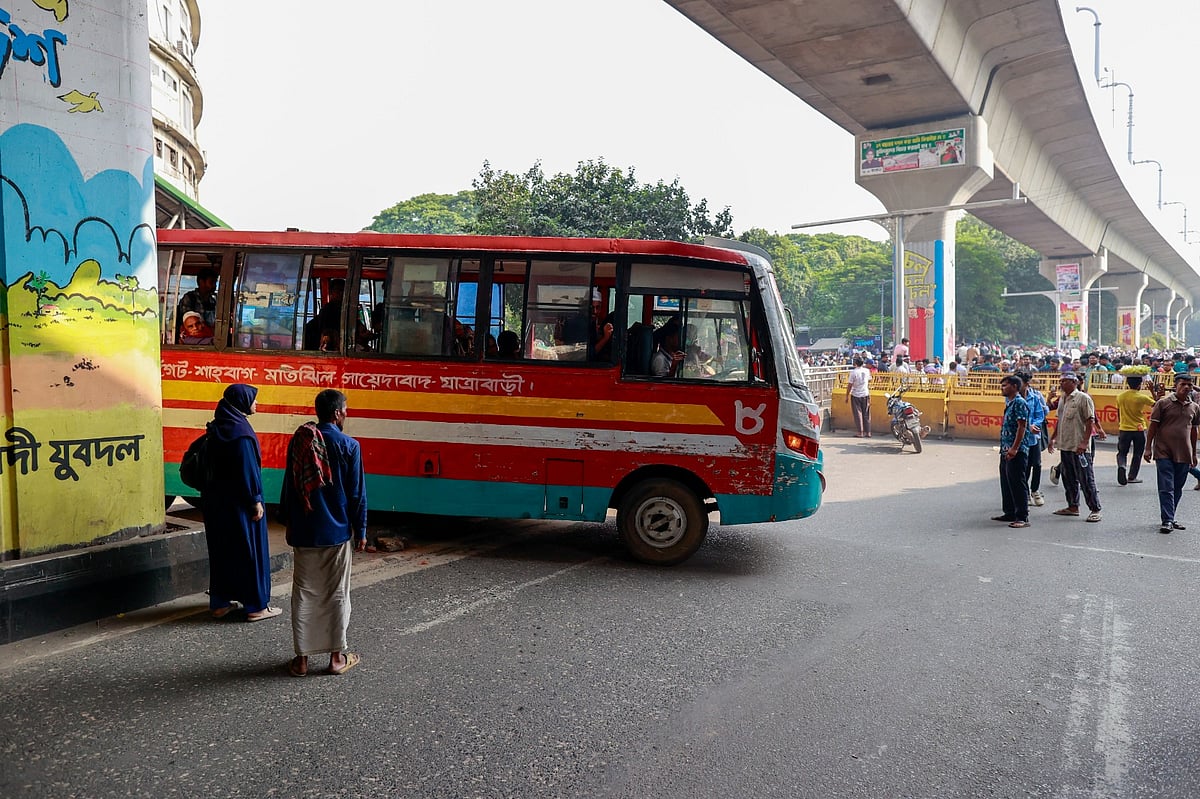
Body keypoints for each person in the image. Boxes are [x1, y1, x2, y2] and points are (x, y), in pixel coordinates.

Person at [280, 389, 368, 676]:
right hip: (337, 533)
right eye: (346, 410)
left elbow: (290, 489)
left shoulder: (300, 441)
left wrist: (289, 523)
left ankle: (302, 661)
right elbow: (357, 495)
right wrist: (362, 529)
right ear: (338, 413)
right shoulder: (349, 445)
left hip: (305, 531)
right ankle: (336, 659)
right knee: (336, 594)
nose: (347, 414)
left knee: (304, 594)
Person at [201, 384, 281, 622]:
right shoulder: (241, 433)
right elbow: (247, 472)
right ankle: (256, 606)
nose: (256, 404)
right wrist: (255, 501)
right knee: (250, 552)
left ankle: (220, 603)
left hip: (217, 504)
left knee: (223, 552)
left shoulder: (218, 427)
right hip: (240, 505)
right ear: (242, 402)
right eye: (253, 399)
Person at [1144, 373, 1200, 534]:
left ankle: (1171, 516)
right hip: (1163, 451)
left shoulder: (1194, 407)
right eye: (1183, 384)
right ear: (1176, 385)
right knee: (1166, 486)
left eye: (1189, 385)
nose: (1186, 387)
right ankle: (1167, 520)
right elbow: (1153, 427)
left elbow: (1193, 431)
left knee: (1177, 487)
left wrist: (1194, 454)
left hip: (1184, 453)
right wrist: (1148, 448)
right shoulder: (1163, 403)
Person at [1048, 372, 1102, 523]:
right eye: (1061, 381)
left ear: (1074, 382)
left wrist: (1084, 442)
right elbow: (1060, 420)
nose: (1061, 383)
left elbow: (1090, 420)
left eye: (1065, 381)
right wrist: (1053, 438)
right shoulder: (1063, 399)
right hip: (1065, 444)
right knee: (1068, 477)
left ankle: (1095, 509)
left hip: (1079, 446)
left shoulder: (1083, 398)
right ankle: (1073, 506)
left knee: (1086, 478)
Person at [994, 374, 1030, 528]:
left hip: (1016, 450)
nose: (1002, 388)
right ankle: (1009, 512)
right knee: (1006, 481)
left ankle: (1022, 517)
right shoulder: (1009, 402)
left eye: (1005, 385)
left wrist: (1015, 448)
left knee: (1017, 482)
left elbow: (1022, 426)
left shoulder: (1019, 403)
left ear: (1014, 387)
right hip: (1005, 449)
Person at [1115, 372, 1160, 485]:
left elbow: (1118, 412)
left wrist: (1121, 423)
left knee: (1122, 452)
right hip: (1139, 429)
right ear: (1140, 384)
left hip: (1124, 428)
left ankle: (1122, 466)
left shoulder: (1120, 396)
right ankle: (1132, 476)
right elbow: (1158, 404)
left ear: (1128, 384)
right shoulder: (1141, 397)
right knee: (1137, 453)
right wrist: (1152, 391)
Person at [1015, 370, 1048, 507]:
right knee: (1024, 466)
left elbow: (1040, 413)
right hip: (1020, 435)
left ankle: (1035, 489)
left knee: (1037, 464)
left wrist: (1034, 425)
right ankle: (1025, 492)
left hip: (1034, 436)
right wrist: (1028, 427)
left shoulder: (1035, 396)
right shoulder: (1013, 397)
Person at [175, 266, 217, 342]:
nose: (214, 286)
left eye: (215, 283)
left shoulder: (212, 301)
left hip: (208, 336)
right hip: (193, 338)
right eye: (211, 282)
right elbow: (188, 322)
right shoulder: (190, 298)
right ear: (201, 282)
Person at [845, 356, 871, 437]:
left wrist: (846, 395)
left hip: (856, 394)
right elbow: (869, 380)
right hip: (865, 393)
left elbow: (850, 385)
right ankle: (868, 432)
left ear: (855, 363)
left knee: (858, 414)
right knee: (866, 413)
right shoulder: (867, 371)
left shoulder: (853, 372)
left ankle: (860, 432)